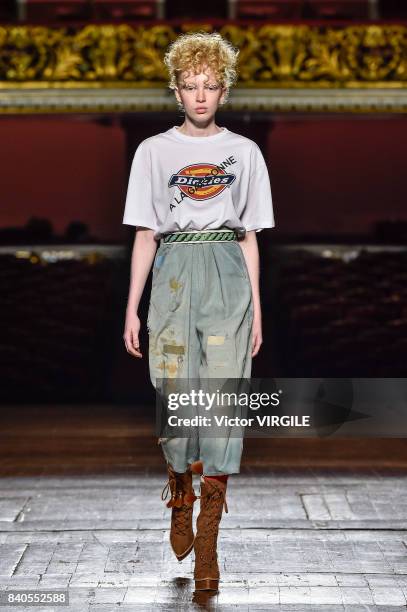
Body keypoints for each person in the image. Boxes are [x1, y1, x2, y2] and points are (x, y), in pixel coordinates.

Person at [122, 31, 275, 592]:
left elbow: (251, 236)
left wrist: (258, 311)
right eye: (190, 86)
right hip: (173, 271)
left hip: (227, 273)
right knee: (174, 387)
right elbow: (144, 233)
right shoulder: (153, 152)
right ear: (176, 90)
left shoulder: (245, 154)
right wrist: (132, 309)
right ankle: (180, 492)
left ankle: (209, 540)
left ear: (225, 90)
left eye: (211, 85)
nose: (201, 95)